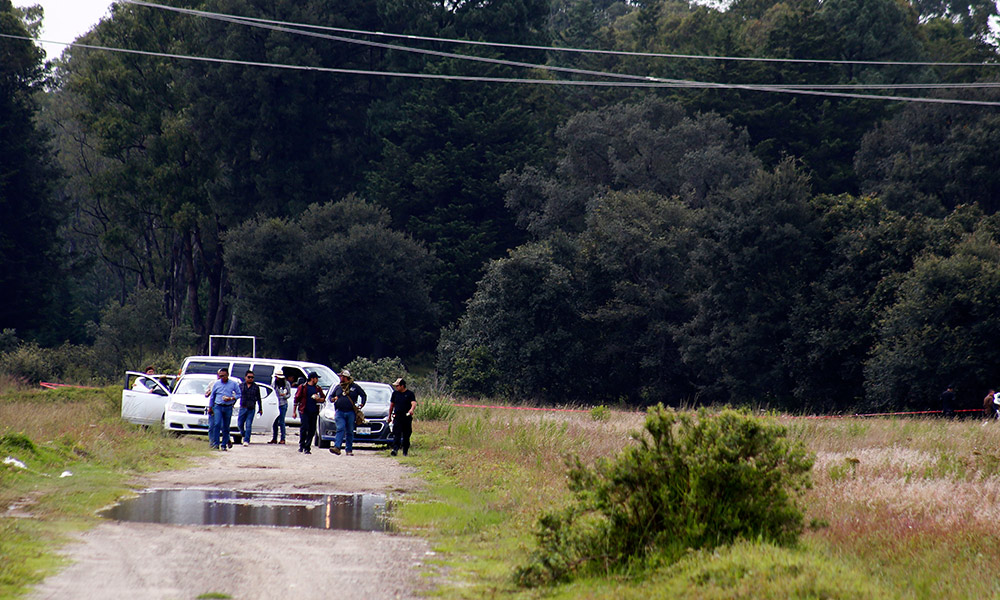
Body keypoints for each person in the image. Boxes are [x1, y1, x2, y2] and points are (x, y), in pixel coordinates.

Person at [327, 369, 367, 456]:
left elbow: (363, 395)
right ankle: (337, 447)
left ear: (346, 377)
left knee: (349, 431)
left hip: (351, 412)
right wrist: (333, 399)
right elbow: (331, 396)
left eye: (341, 376)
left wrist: (361, 404)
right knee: (340, 428)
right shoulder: (338, 387)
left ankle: (349, 450)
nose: (340, 378)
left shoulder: (355, 387)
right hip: (339, 412)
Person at [208, 368, 241, 451]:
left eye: (223, 376)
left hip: (228, 407)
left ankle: (224, 444)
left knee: (226, 426)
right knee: (217, 424)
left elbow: (239, 394)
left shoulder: (233, 384)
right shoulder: (216, 384)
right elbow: (212, 396)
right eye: (220, 376)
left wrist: (231, 398)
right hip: (218, 406)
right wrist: (210, 407)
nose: (222, 377)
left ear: (227, 375)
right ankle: (216, 443)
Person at [294, 372, 324, 454]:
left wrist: (319, 399)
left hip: (314, 411)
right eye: (316, 378)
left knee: (312, 429)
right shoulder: (303, 387)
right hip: (304, 410)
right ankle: (302, 445)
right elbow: (297, 399)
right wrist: (294, 411)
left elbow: (323, 398)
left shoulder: (318, 388)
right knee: (304, 428)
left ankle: (307, 446)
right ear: (312, 379)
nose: (317, 380)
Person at [388, 378, 417, 457]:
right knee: (396, 434)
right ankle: (395, 449)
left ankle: (405, 451)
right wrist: (389, 416)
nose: (396, 387)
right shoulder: (395, 394)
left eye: (397, 386)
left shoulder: (410, 394)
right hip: (397, 417)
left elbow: (413, 403)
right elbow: (391, 406)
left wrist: (411, 410)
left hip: (406, 417)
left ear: (402, 386)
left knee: (406, 435)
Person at [237, 370, 263, 445]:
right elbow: (237, 395)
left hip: (251, 408)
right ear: (245, 377)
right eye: (249, 377)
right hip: (243, 407)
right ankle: (244, 434)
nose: (250, 379)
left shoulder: (256, 387)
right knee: (240, 424)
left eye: (252, 377)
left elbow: (258, 398)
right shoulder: (241, 386)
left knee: (248, 424)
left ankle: (246, 440)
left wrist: (260, 409)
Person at [269, 370, 291, 444]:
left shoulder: (286, 384)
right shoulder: (274, 384)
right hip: (276, 404)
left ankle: (283, 438)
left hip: (283, 404)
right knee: (275, 422)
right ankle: (274, 438)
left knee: (281, 422)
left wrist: (284, 396)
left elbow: (289, 394)